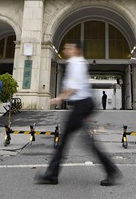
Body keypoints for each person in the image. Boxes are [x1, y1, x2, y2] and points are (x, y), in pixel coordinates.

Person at [35, 41, 122, 186]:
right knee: (77, 141)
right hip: (83, 105)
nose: (65, 49)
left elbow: (73, 88)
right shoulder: (79, 63)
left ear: (76, 50)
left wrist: (59, 98)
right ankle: (52, 174)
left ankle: (52, 175)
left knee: (71, 142)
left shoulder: (75, 63)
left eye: (68, 47)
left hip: (81, 105)